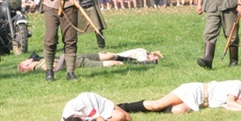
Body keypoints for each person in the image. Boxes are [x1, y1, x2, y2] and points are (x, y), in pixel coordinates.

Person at [118, 80, 241, 114]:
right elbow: (232, 102)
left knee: (179, 111)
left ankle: (145, 111)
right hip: (195, 91)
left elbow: (231, 107)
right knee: (156, 105)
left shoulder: (233, 102)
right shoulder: (238, 86)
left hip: (198, 103)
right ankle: (122, 107)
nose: (239, 100)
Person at [35, 92, 131, 121]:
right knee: (121, 116)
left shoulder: (78, 104)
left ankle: (125, 106)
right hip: (90, 115)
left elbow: (99, 118)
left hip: (98, 104)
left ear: (77, 115)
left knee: (128, 118)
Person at [18, 49, 162, 73]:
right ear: (26, 65)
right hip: (77, 63)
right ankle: (144, 63)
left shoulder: (39, 61)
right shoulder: (39, 68)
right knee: (113, 63)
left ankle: (135, 59)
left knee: (110, 55)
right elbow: (55, 69)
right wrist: (62, 58)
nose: (29, 59)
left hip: (77, 56)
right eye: (27, 60)